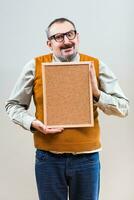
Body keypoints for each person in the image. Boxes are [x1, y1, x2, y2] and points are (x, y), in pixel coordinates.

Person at [5, 18, 129, 200]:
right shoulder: (35, 66)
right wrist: (33, 123)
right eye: (58, 37)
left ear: (77, 37)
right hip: (48, 159)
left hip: (87, 160)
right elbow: (13, 105)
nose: (66, 41)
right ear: (49, 44)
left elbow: (123, 107)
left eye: (70, 34)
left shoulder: (95, 65)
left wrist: (96, 94)